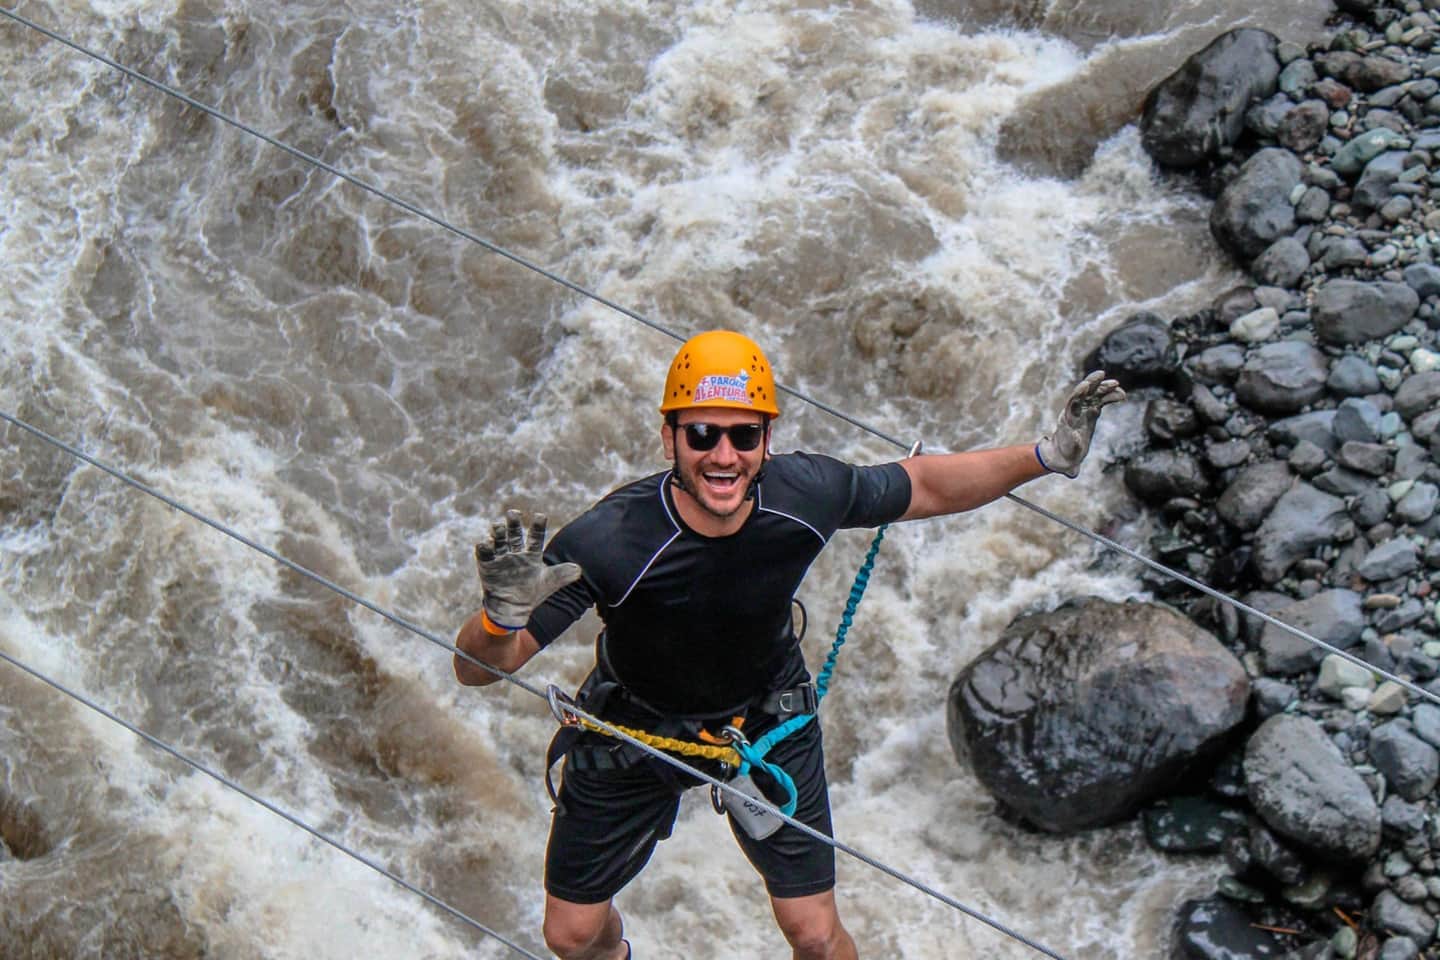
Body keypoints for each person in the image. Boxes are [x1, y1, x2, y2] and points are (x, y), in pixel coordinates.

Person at [455, 330, 1123, 960]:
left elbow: (922, 485)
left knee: (814, 935)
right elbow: (480, 670)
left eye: (744, 435)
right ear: (670, 439)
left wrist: (1045, 457)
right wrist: (500, 619)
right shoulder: (610, 541)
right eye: (703, 434)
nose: (723, 455)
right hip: (635, 725)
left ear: (767, 439)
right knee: (571, 936)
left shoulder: (803, 495)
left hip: (765, 721)